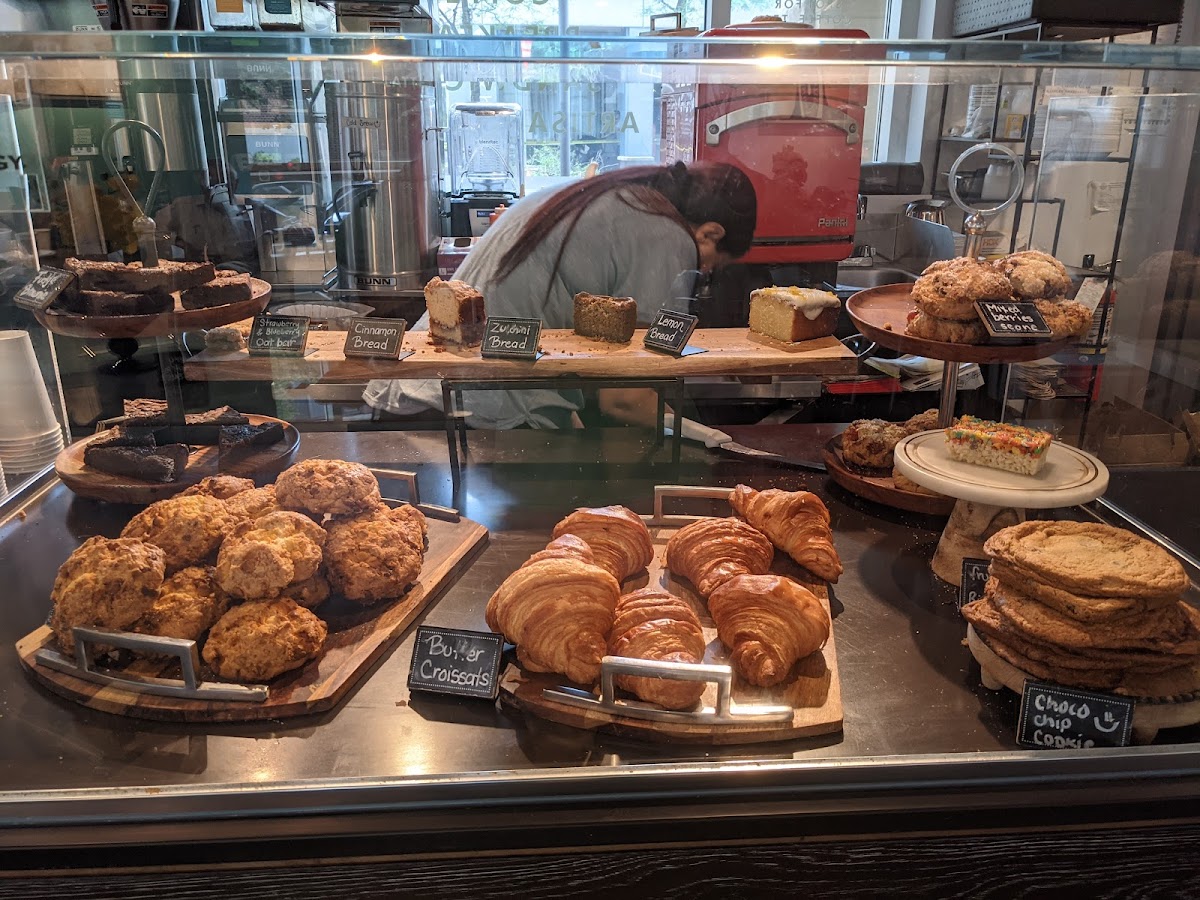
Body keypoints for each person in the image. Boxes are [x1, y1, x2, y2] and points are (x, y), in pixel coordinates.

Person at [364, 161, 757, 429]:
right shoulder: (666, 233)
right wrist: (703, 438)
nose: (702, 272)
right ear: (710, 233)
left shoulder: (613, 194)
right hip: (473, 412)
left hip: (417, 391)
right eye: (712, 264)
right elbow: (625, 398)